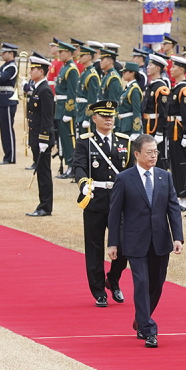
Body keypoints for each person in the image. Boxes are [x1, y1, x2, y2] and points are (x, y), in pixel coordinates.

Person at [107, 134, 184, 348]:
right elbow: (115, 213)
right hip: (134, 241)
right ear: (137, 154)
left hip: (160, 240)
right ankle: (149, 329)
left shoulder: (164, 176)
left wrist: (178, 236)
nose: (154, 156)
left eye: (156, 152)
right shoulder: (124, 178)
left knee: (156, 284)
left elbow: (173, 208)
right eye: (149, 152)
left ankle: (142, 318)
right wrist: (113, 243)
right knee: (141, 283)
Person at [73, 100, 132, 307]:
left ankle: (113, 279)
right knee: (95, 246)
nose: (109, 119)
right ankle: (98, 290)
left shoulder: (124, 141)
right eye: (104, 116)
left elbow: (130, 170)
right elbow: (78, 166)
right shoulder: (85, 141)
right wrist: (82, 184)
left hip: (118, 199)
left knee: (125, 244)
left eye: (111, 116)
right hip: (95, 196)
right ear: (94, 118)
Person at [25, 56, 55, 217]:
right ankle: (42, 204)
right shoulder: (38, 88)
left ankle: (45, 206)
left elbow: (47, 117)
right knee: (41, 172)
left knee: (43, 173)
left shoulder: (44, 90)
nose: (30, 71)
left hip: (41, 138)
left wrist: (44, 139)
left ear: (41, 71)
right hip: (36, 137)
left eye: (33, 68)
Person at [167, 56, 186, 209]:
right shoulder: (176, 88)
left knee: (181, 163)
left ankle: (184, 196)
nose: (171, 69)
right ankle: (178, 193)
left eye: (174, 67)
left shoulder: (184, 90)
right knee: (175, 163)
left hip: (179, 131)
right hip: (173, 129)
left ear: (182, 70)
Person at [54, 41, 80, 177]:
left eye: (61, 52)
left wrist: (69, 111)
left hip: (66, 109)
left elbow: (72, 92)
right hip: (60, 107)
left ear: (69, 53)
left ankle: (72, 166)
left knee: (70, 140)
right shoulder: (64, 67)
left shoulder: (71, 69)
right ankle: (68, 165)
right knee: (63, 140)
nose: (59, 54)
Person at [143, 54, 171, 169]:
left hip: (155, 126)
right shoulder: (151, 86)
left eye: (151, 65)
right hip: (147, 125)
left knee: (158, 158)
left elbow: (164, 112)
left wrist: (160, 132)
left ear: (158, 68)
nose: (147, 67)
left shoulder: (161, 87)